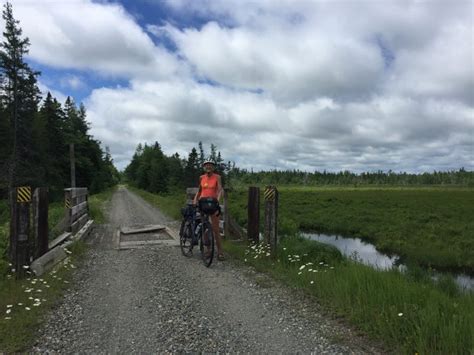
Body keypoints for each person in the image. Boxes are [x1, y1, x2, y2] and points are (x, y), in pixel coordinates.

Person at [193, 159, 224, 261]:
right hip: (203, 204)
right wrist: (195, 200)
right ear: (204, 167)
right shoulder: (201, 177)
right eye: (206, 165)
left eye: (210, 165)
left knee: (215, 230)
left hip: (212, 204)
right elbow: (199, 191)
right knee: (204, 228)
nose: (208, 167)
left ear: (213, 167)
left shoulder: (217, 177)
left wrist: (218, 200)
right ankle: (208, 250)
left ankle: (220, 252)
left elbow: (220, 190)